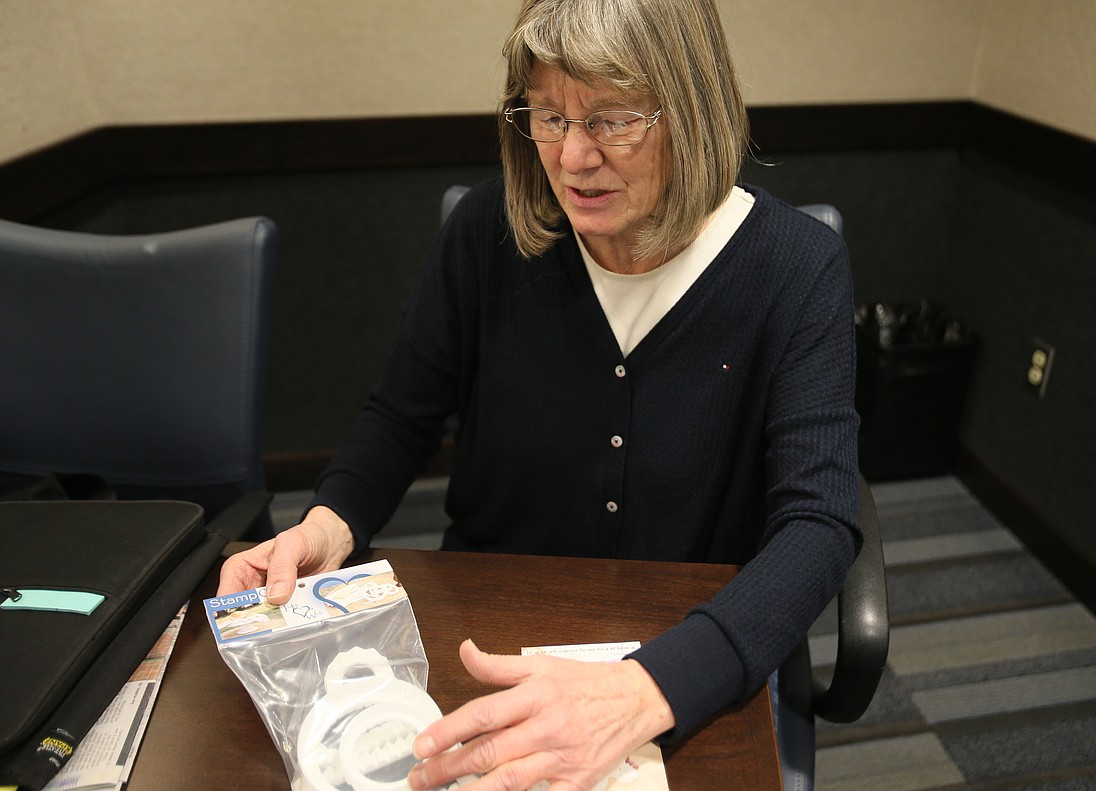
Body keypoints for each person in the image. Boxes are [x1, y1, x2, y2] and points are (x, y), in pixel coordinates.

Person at [218, 0, 862, 788]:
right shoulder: (486, 233)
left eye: (613, 119)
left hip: (680, 656)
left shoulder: (797, 269)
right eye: (548, 117)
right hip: (485, 639)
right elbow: (400, 414)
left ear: (690, 109)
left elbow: (819, 523)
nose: (572, 158)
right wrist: (331, 520)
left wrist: (649, 685)